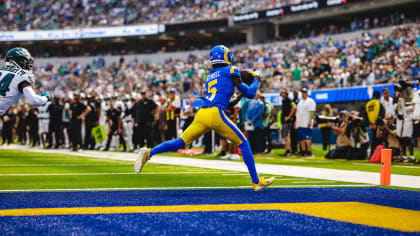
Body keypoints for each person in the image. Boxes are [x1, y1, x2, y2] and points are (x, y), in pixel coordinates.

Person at [135, 45, 274, 192]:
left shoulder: (210, 76)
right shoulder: (231, 70)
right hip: (215, 114)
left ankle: (150, 153)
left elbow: (230, 102)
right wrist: (257, 79)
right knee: (244, 143)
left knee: (180, 142)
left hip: (202, 114)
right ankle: (256, 182)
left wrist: (240, 93)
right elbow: (251, 93)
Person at [0, 47, 53, 114]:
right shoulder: (23, 76)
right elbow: (34, 101)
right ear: (18, 61)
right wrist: (46, 97)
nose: (28, 65)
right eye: (26, 62)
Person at [295, 88, 316, 157]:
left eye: (304, 93)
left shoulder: (310, 101)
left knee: (307, 138)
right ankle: (303, 151)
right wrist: (296, 122)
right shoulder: (300, 102)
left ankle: (309, 151)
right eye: (302, 93)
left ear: (307, 94)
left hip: (306, 123)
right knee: (301, 138)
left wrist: (310, 121)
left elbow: (312, 112)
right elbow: (297, 113)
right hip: (300, 123)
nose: (303, 94)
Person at [279, 88, 296, 156]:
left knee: (286, 135)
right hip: (284, 120)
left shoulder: (289, 100)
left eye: (283, 93)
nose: (282, 94)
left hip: (287, 121)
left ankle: (288, 150)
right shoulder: (284, 100)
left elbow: (294, 107)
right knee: (285, 136)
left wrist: (289, 116)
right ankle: (287, 150)